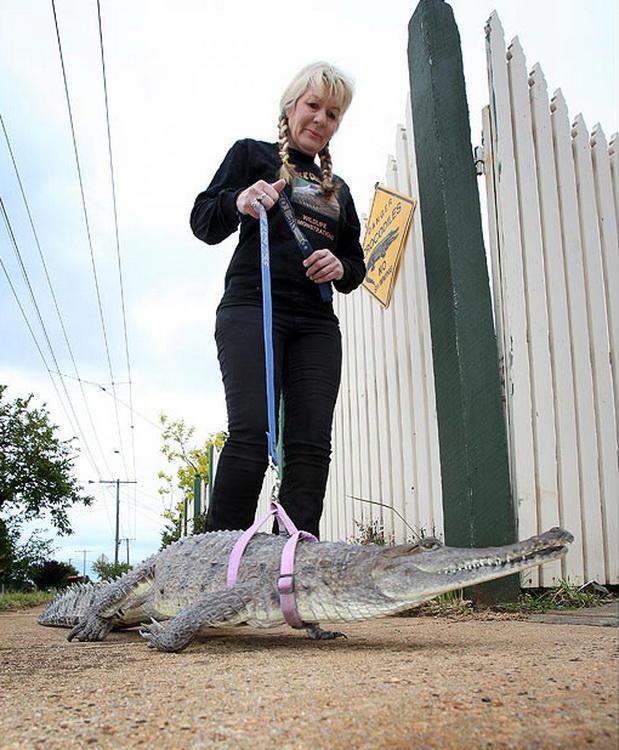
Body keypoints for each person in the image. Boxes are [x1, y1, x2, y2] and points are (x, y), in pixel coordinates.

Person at [190, 62, 365, 538]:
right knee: (251, 434)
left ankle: (291, 567)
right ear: (290, 108)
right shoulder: (252, 155)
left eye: (333, 114)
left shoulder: (340, 191)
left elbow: (356, 266)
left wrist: (340, 266)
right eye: (313, 106)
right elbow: (203, 220)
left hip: (315, 323)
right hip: (253, 306)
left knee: (310, 446)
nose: (320, 120)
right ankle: (215, 562)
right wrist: (239, 201)